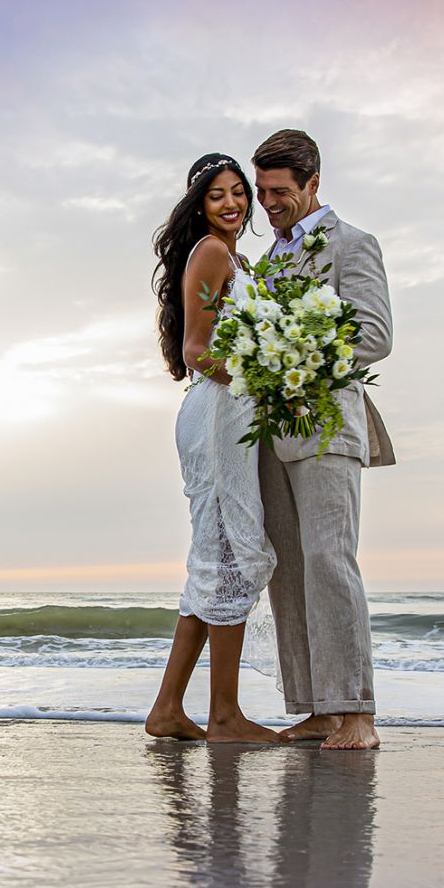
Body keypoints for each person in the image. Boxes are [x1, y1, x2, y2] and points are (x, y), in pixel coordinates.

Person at [251, 129, 395, 751]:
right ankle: (314, 708)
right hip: (272, 434)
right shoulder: (270, 260)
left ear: (313, 184)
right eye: (261, 192)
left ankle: (357, 712)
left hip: (328, 425)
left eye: (280, 191)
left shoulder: (353, 245)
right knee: (288, 572)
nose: (269, 204)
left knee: (331, 563)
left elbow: (374, 335)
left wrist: (293, 351)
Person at [145, 153, 286, 745]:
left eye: (238, 193)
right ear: (199, 204)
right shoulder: (210, 251)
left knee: (217, 557)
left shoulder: (231, 257)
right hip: (217, 415)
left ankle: (170, 710)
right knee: (229, 555)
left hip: (229, 413)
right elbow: (198, 351)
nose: (231, 204)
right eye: (216, 195)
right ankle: (223, 716)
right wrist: (270, 379)